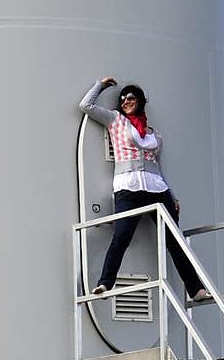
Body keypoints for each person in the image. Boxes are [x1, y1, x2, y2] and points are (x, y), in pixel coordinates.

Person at [79, 76, 211, 301]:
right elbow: (86, 106)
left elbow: (158, 166)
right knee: (121, 237)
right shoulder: (116, 121)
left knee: (174, 241)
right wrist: (100, 85)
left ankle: (196, 289)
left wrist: (172, 194)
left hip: (157, 191)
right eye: (122, 99)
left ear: (139, 100)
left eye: (130, 97)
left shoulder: (153, 134)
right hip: (128, 188)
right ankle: (105, 283)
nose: (125, 101)